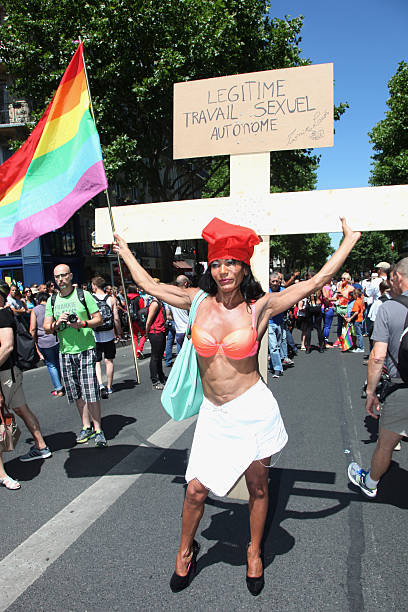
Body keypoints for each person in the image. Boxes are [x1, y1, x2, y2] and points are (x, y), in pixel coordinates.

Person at [113, 216, 360, 595]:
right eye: (217, 263)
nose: (224, 270)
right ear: (209, 268)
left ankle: (254, 551)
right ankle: (185, 550)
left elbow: (316, 282)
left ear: (244, 268)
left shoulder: (260, 308)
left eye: (231, 262)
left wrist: (348, 241)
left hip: (252, 409)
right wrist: (124, 251)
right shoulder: (196, 300)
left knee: (258, 487)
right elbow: (147, 283)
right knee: (196, 490)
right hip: (214, 415)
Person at [348, 258, 408, 498]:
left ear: (397, 278)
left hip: (401, 387)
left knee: (386, 442)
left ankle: (370, 482)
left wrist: (371, 391)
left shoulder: (390, 308)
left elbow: (377, 356)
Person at [43, 265, 107, 448]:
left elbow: (98, 319)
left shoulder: (83, 295)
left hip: (85, 349)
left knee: (91, 391)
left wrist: (82, 323)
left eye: (64, 275)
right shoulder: (52, 300)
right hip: (65, 351)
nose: (61, 279)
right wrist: (57, 323)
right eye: (57, 277)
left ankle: (98, 429)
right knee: (76, 392)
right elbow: (46, 327)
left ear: (71, 276)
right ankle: (85, 426)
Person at [0, 281, 52, 464]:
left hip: (6, 372)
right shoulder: (6, 312)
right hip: (10, 372)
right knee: (21, 409)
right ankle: (41, 445)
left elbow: (7, 346)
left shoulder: (3, 314)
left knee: (20, 409)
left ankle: (40, 446)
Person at [91, 276, 122, 397]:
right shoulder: (112, 299)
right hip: (109, 334)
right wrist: (119, 332)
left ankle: (100, 385)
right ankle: (109, 386)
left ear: (94, 285)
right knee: (109, 361)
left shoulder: (90, 299)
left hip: (95, 335)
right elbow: (116, 318)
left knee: (97, 362)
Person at [30, 291, 65, 397]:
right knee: (60, 363)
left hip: (43, 341)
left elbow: (32, 328)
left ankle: (59, 389)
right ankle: (68, 385)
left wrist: (34, 341)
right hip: (57, 338)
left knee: (51, 364)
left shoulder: (35, 310)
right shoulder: (53, 308)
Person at [145, 283, 167, 390]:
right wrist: (146, 332)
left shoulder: (160, 302)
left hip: (161, 331)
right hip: (155, 332)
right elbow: (149, 320)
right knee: (155, 356)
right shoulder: (155, 303)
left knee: (159, 356)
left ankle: (161, 376)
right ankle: (155, 380)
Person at [127, 284, 146, 358]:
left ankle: (136, 352)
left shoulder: (127, 298)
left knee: (134, 336)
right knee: (143, 334)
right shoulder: (139, 298)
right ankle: (139, 349)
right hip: (139, 319)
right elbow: (142, 310)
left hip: (131, 319)